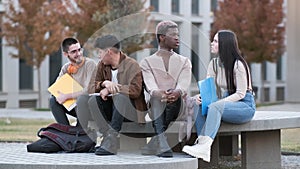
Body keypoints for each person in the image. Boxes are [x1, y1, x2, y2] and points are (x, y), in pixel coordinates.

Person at [182, 30, 256, 162]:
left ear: (224, 44)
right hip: (226, 103)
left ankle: (203, 146)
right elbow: (209, 89)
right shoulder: (214, 64)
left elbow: (241, 93)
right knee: (197, 103)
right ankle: (202, 145)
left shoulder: (239, 65)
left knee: (215, 107)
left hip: (244, 105)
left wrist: (219, 104)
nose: (212, 43)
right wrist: (200, 97)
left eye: (215, 41)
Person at [76, 34, 147, 155]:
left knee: (120, 97)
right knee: (91, 100)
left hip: (131, 112)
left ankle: (113, 138)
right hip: (111, 110)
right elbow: (91, 88)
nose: (98, 56)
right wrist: (104, 84)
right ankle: (107, 137)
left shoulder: (132, 65)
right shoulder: (102, 65)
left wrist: (112, 89)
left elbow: (135, 90)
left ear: (108, 52)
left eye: (99, 52)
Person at [140, 20, 192, 157]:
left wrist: (177, 92)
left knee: (175, 98)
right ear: (162, 37)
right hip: (155, 106)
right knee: (156, 98)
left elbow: (184, 83)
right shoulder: (146, 62)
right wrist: (159, 93)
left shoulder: (185, 61)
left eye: (178, 35)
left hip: (178, 107)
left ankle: (157, 142)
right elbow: (150, 84)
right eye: (173, 35)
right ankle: (162, 141)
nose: (177, 38)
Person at [49, 37, 97, 126]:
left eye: (79, 50)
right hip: (74, 106)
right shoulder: (66, 68)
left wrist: (67, 96)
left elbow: (89, 90)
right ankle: (66, 131)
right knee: (53, 100)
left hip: (89, 107)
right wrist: (59, 96)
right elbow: (56, 88)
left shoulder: (90, 64)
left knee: (82, 99)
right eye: (74, 52)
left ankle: (80, 132)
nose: (78, 53)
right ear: (65, 54)